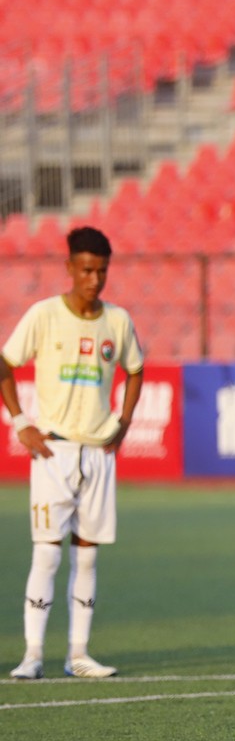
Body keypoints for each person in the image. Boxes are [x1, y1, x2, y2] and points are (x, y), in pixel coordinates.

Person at [1, 226, 144, 679]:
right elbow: (5, 363)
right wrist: (21, 423)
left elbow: (135, 369)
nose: (94, 279)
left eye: (101, 271)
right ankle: (33, 655)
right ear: (69, 268)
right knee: (46, 554)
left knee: (87, 555)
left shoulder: (117, 321)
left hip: (98, 452)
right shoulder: (44, 316)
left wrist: (123, 424)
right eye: (86, 270)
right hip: (53, 453)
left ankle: (78, 654)